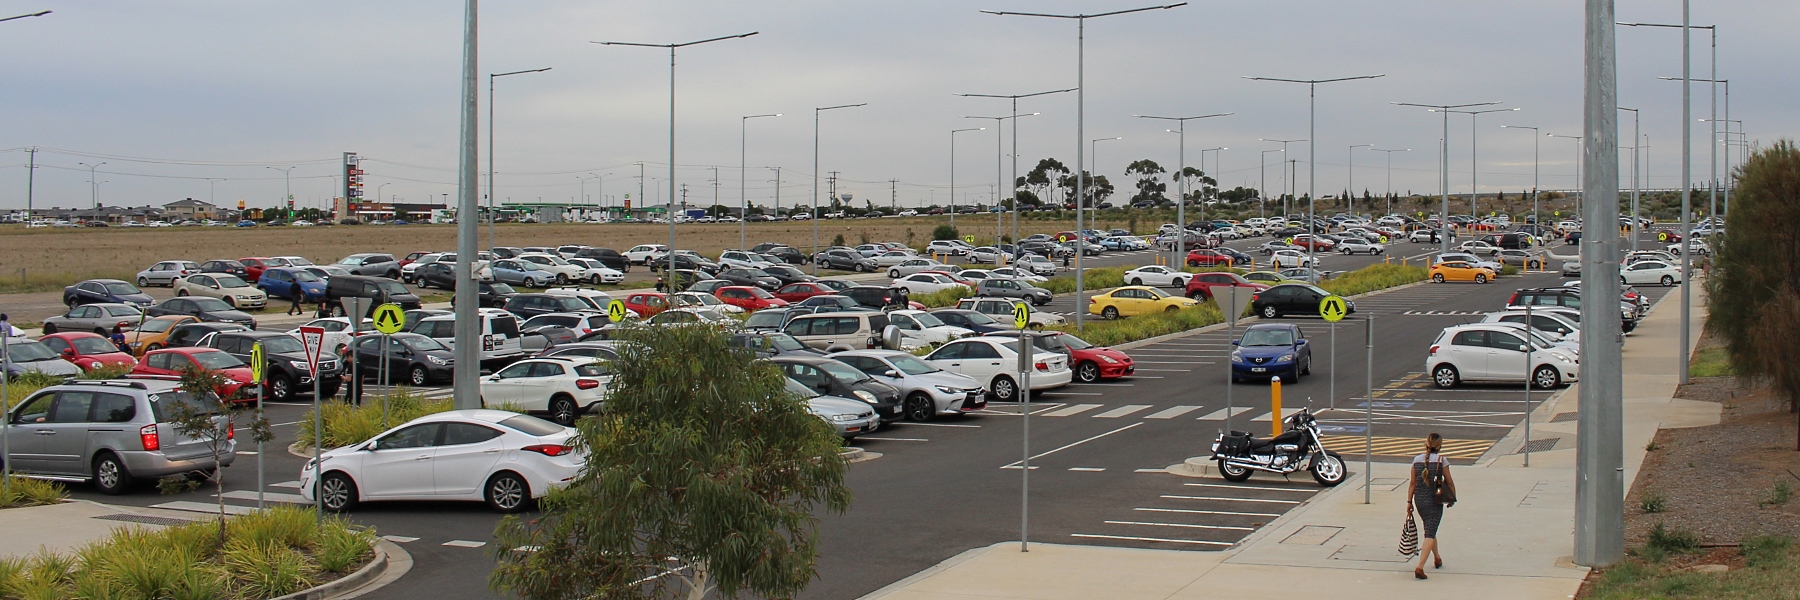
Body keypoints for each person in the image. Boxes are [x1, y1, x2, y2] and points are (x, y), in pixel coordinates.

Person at [1408, 433, 1455, 579]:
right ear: (1440, 445)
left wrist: (1409, 502)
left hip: (1420, 500)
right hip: (1435, 500)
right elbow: (1449, 481)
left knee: (1429, 528)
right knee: (1429, 532)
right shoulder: (1442, 461)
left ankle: (1437, 558)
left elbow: (1412, 483)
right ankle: (1419, 567)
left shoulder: (1416, 460)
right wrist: (1452, 497)